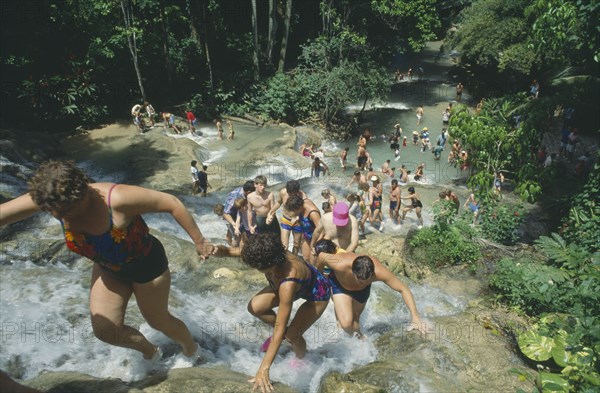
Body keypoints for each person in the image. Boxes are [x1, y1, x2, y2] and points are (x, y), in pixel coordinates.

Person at [0, 160, 217, 362]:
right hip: (109, 269)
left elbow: (172, 202)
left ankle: (192, 349)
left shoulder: (119, 199)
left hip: (146, 266)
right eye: (52, 212)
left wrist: (199, 241)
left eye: (66, 212)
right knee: (106, 331)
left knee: (158, 321)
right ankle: (152, 353)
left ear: (84, 192)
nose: (60, 216)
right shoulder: (52, 198)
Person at [242, 233, 330, 392]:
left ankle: (302, 358)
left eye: (258, 268)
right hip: (299, 284)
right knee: (255, 307)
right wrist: (219, 250)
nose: (256, 270)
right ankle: (280, 338)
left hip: (317, 294)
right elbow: (237, 251)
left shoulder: (288, 283)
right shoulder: (271, 250)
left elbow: (280, 326)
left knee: (291, 335)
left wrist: (264, 368)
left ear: (270, 264)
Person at [314, 240, 427, 337]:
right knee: (346, 324)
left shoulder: (379, 272)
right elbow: (320, 257)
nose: (363, 283)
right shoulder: (338, 263)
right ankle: (342, 330)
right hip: (340, 285)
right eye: (360, 281)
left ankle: (360, 339)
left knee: (355, 319)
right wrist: (322, 280)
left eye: (368, 280)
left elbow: (403, 289)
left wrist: (415, 316)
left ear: (372, 274)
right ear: (352, 272)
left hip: (361, 293)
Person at [267, 180, 306, 255]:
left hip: (298, 222)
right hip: (286, 220)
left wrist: (297, 217)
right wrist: (270, 212)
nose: (290, 194)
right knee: (284, 245)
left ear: (297, 191)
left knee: (296, 244)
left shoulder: (302, 196)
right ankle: (285, 259)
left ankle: (294, 257)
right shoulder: (283, 192)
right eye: (289, 192)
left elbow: (305, 210)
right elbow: (278, 202)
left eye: (292, 193)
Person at [285, 194, 321, 262]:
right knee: (306, 258)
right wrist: (297, 219)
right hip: (306, 236)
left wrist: (313, 244)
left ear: (299, 207)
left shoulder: (313, 213)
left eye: (294, 210)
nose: (293, 212)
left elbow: (321, 231)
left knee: (314, 262)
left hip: (316, 239)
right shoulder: (303, 204)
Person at [222, 181, 256, 247]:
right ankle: (232, 251)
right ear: (248, 192)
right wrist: (234, 225)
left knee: (236, 235)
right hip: (230, 216)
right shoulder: (235, 196)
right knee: (237, 238)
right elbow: (225, 213)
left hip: (238, 214)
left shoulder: (245, 192)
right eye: (254, 192)